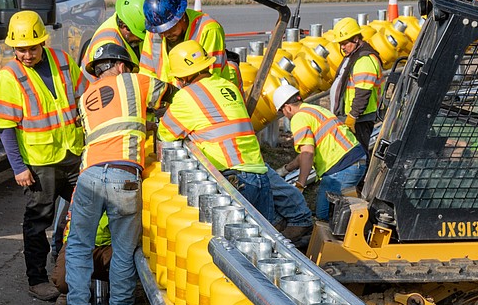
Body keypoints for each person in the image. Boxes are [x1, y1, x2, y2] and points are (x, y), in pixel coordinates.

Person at [0, 10, 83, 301]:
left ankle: (66, 268)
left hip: (72, 153)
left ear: (43, 42)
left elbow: (84, 97)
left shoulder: (63, 61)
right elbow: (5, 128)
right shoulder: (9, 77)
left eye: (31, 48)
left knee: (83, 211)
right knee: (37, 220)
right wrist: (18, 168)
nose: (27, 54)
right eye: (20, 49)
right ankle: (37, 279)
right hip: (39, 162)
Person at [64, 40, 149, 305]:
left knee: (77, 246)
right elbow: (175, 96)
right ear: (123, 66)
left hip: (89, 176)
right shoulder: (135, 82)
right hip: (124, 176)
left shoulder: (86, 97)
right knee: (124, 251)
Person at [157, 40, 274, 220]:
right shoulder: (227, 85)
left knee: (227, 243)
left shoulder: (186, 96)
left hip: (233, 180)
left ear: (184, 77)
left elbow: (164, 133)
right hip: (260, 174)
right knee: (263, 242)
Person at [270, 84, 366, 224]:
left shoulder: (298, 118)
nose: (284, 115)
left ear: (288, 107)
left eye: (282, 112)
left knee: (324, 215)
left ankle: (334, 242)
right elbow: (305, 153)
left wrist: (300, 184)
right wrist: (287, 169)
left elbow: (308, 154)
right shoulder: (313, 109)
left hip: (341, 166)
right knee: (336, 211)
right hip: (352, 160)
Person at [140, 0, 234, 111]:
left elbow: (208, 78)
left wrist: (179, 102)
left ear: (181, 16)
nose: (166, 33)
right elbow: (147, 73)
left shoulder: (208, 29)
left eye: (171, 28)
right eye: (162, 31)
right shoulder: (155, 32)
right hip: (167, 105)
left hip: (206, 103)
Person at [329, 18, 383, 152]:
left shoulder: (364, 60)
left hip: (359, 119)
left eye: (345, 43)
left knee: (358, 155)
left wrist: (352, 116)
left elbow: (363, 93)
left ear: (356, 39)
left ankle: (363, 173)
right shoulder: (353, 55)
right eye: (340, 43)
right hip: (352, 116)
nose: (342, 47)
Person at [83, 0, 148, 67]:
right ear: (125, 27)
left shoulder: (127, 19)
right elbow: (110, 78)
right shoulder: (108, 47)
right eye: (140, 37)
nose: (142, 40)